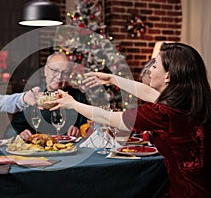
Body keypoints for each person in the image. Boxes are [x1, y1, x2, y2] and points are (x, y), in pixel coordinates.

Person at [49, 43, 211, 198]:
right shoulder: (191, 102)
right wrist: (112, 79)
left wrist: (73, 104)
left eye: (154, 66)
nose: (150, 71)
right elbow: (149, 93)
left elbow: (108, 117)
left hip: (188, 192)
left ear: (168, 76)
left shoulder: (163, 113)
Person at [11, 52, 88, 140]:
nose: (59, 77)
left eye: (65, 73)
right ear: (45, 70)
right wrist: (22, 132)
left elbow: (86, 127)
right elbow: (13, 128)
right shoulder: (31, 96)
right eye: (55, 71)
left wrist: (77, 130)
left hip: (70, 149)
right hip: (37, 150)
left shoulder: (79, 97)